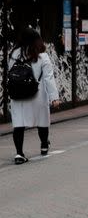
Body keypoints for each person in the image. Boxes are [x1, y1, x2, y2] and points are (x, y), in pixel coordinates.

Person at [9, 28, 60, 165]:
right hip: (36, 94)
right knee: (42, 120)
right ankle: (44, 145)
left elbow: (10, 73)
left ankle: (19, 153)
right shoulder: (42, 56)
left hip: (17, 94)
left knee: (18, 124)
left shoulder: (14, 54)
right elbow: (49, 78)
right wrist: (54, 97)